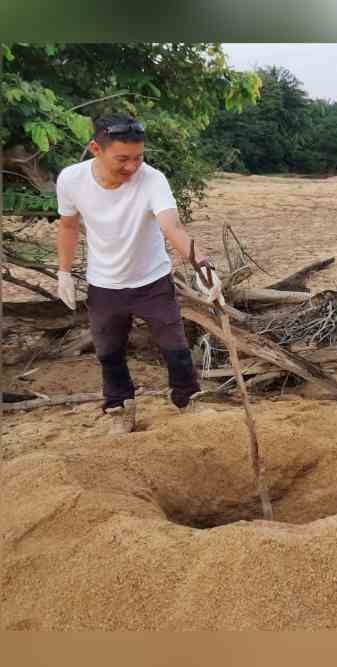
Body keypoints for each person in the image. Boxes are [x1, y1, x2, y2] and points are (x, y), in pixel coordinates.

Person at [54, 113, 220, 435]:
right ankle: (120, 409)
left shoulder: (152, 179)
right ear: (95, 149)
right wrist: (64, 272)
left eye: (138, 157)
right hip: (104, 284)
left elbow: (172, 227)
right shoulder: (71, 180)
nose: (132, 167)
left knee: (175, 346)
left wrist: (203, 266)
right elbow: (68, 226)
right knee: (109, 352)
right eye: (122, 159)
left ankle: (188, 400)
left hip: (152, 281)